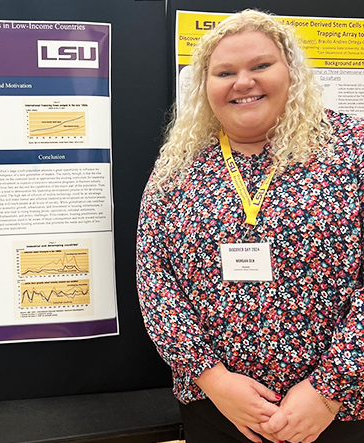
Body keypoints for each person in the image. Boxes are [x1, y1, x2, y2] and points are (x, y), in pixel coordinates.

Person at [136, 9, 364, 443]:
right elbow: (153, 280)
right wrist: (214, 379)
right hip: (219, 409)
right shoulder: (178, 166)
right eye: (225, 72)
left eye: (261, 65)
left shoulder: (352, 149)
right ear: (206, 87)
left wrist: (330, 388)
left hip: (343, 408)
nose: (243, 82)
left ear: (292, 71)